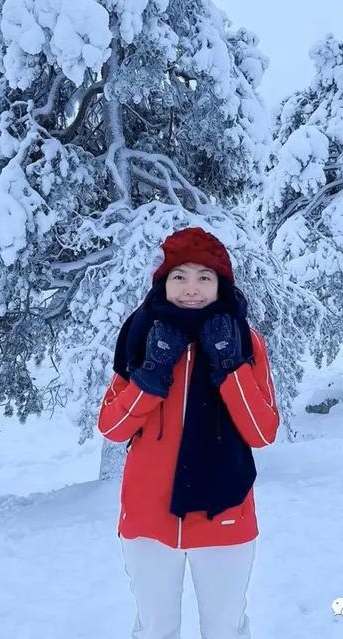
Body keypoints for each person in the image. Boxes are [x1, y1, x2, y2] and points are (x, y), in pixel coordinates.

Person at [97, 226, 280, 639]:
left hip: (224, 515)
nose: (191, 289)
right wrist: (151, 376)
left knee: (224, 630)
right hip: (149, 517)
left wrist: (229, 367)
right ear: (163, 283)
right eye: (180, 276)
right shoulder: (141, 334)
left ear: (220, 284)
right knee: (155, 630)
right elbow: (112, 427)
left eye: (204, 277)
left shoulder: (245, 340)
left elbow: (261, 432)